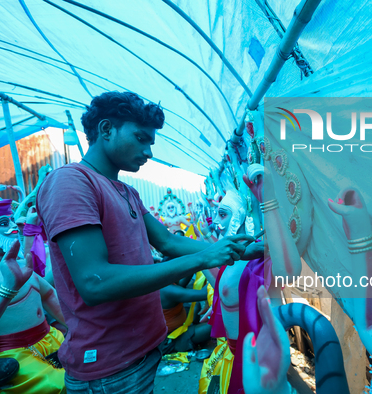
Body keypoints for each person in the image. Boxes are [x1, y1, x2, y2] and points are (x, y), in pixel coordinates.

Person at [36, 91, 262, 394]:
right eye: (141, 138)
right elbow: (94, 282)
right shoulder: (71, 182)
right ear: (106, 130)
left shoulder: (126, 192)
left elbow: (168, 242)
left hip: (144, 350)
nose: (148, 152)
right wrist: (205, 258)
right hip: (109, 367)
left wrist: (239, 250)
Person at [0, 191, 66, 394]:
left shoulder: (23, 264)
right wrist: (7, 289)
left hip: (51, 338)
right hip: (10, 356)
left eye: (11, 221)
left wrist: (76, 325)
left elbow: (48, 294)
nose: (13, 227)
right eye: (2, 223)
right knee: (62, 386)